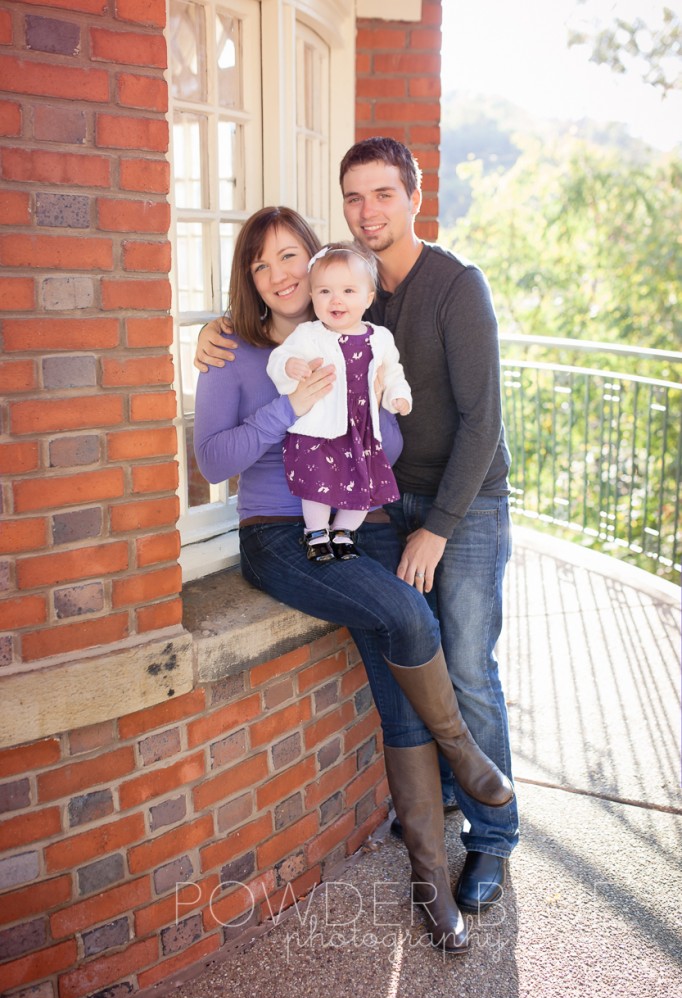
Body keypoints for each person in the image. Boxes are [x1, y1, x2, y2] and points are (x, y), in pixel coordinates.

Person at [196, 138, 520, 917]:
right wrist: (288, 402)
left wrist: (373, 401)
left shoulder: (388, 315)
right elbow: (215, 459)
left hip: (416, 509)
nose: (282, 275)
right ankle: (463, 783)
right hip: (312, 524)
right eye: (263, 264)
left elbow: (436, 432)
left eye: (294, 258)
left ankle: (463, 856)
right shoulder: (246, 350)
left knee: (441, 671)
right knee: (412, 628)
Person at [266, 241, 412, 562]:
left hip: (360, 428)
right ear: (312, 296)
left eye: (348, 291)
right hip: (320, 428)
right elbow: (280, 358)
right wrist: (289, 366)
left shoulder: (380, 337)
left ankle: (344, 532)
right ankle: (317, 534)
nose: (336, 300)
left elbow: (392, 373)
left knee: (363, 485)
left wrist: (398, 395)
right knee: (317, 484)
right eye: (324, 292)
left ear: (368, 297)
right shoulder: (309, 335)